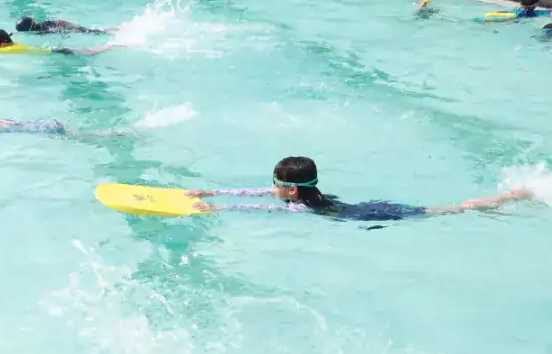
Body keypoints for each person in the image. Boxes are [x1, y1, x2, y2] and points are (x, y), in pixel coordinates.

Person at [187, 156, 532, 222]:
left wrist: (221, 210)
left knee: (446, 210)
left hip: (372, 213)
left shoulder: (298, 207)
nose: (270, 188)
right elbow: (260, 195)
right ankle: (506, 197)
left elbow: (261, 207)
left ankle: (508, 198)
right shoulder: (307, 197)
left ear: (292, 191)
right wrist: (212, 194)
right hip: (365, 207)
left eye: (276, 184)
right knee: (442, 209)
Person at [0, 29, 112, 57]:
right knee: (90, 51)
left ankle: (113, 45)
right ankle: (110, 44)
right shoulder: (13, 45)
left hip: (56, 52)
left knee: (91, 53)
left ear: (2, 45)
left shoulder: (8, 50)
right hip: (54, 49)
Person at [16, 15, 107, 35]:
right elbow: (59, 22)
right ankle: (108, 30)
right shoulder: (42, 26)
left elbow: (59, 23)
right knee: (89, 31)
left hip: (64, 28)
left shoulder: (40, 30)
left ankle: (109, 31)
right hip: (63, 26)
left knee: (90, 31)